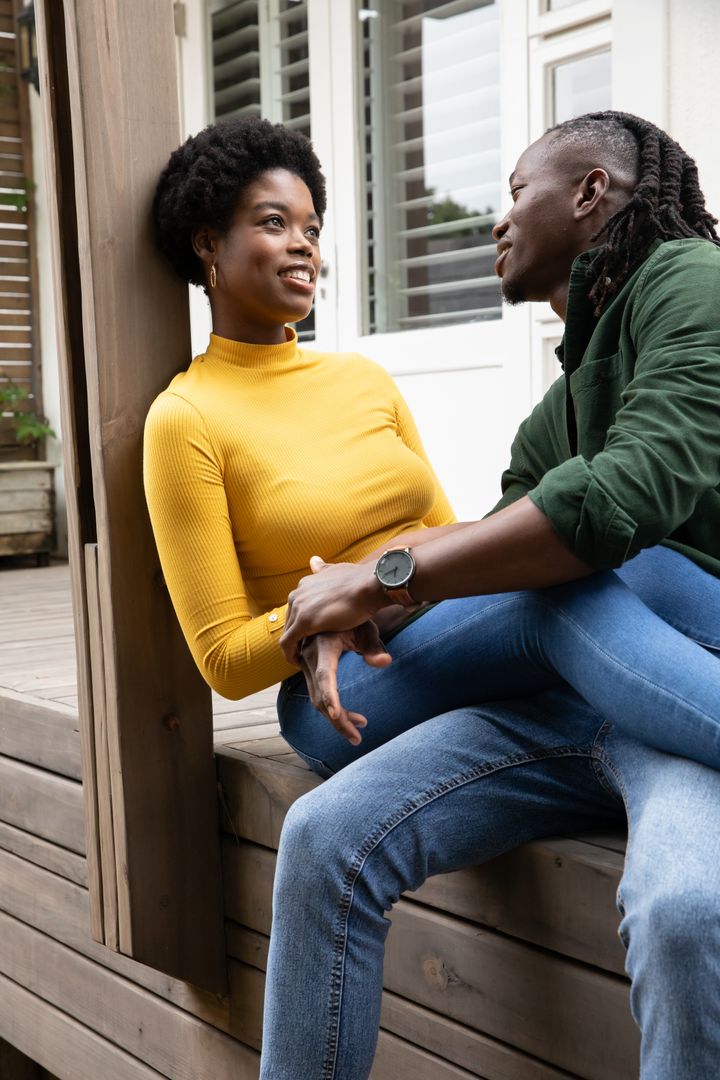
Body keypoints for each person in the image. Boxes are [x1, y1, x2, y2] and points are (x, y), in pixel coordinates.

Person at [256, 111, 720, 1080]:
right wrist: (367, 612)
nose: (498, 221)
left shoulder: (694, 284)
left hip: (684, 685)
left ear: (591, 192)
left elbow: (615, 503)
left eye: (516, 192)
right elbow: (499, 549)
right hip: (571, 703)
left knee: (684, 911)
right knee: (323, 834)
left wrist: (383, 573)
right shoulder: (561, 403)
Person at [146, 114, 720, 782]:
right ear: (209, 242)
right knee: (569, 588)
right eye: (275, 223)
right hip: (357, 672)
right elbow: (223, 657)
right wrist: (324, 614)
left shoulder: (363, 379)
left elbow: (455, 538)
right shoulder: (186, 418)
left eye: (311, 229)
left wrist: (366, 584)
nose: (303, 245)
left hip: (434, 615)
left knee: (575, 582)